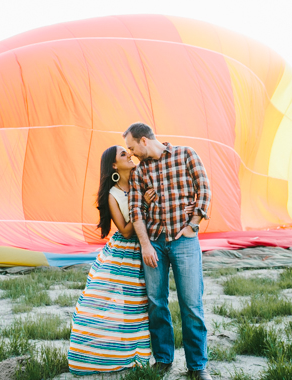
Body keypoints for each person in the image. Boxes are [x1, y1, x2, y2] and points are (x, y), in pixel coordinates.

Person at [68, 145, 195, 375]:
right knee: (126, 304)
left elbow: (167, 198)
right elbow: (126, 231)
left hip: (152, 244)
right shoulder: (112, 195)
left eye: (129, 151)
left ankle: (146, 354)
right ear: (114, 165)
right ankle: (120, 352)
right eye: (123, 154)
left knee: (145, 305)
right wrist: (143, 205)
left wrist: (187, 207)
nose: (130, 155)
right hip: (126, 252)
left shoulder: (142, 179)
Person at [123, 122, 212, 380]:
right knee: (156, 303)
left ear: (143, 140)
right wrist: (146, 244)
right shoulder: (140, 172)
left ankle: (197, 366)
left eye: (131, 147)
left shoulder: (186, 154)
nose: (131, 154)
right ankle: (163, 359)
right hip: (155, 243)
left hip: (183, 240)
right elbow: (135, 210)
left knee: (191, 303)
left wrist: (193, 225)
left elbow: (204, 190)